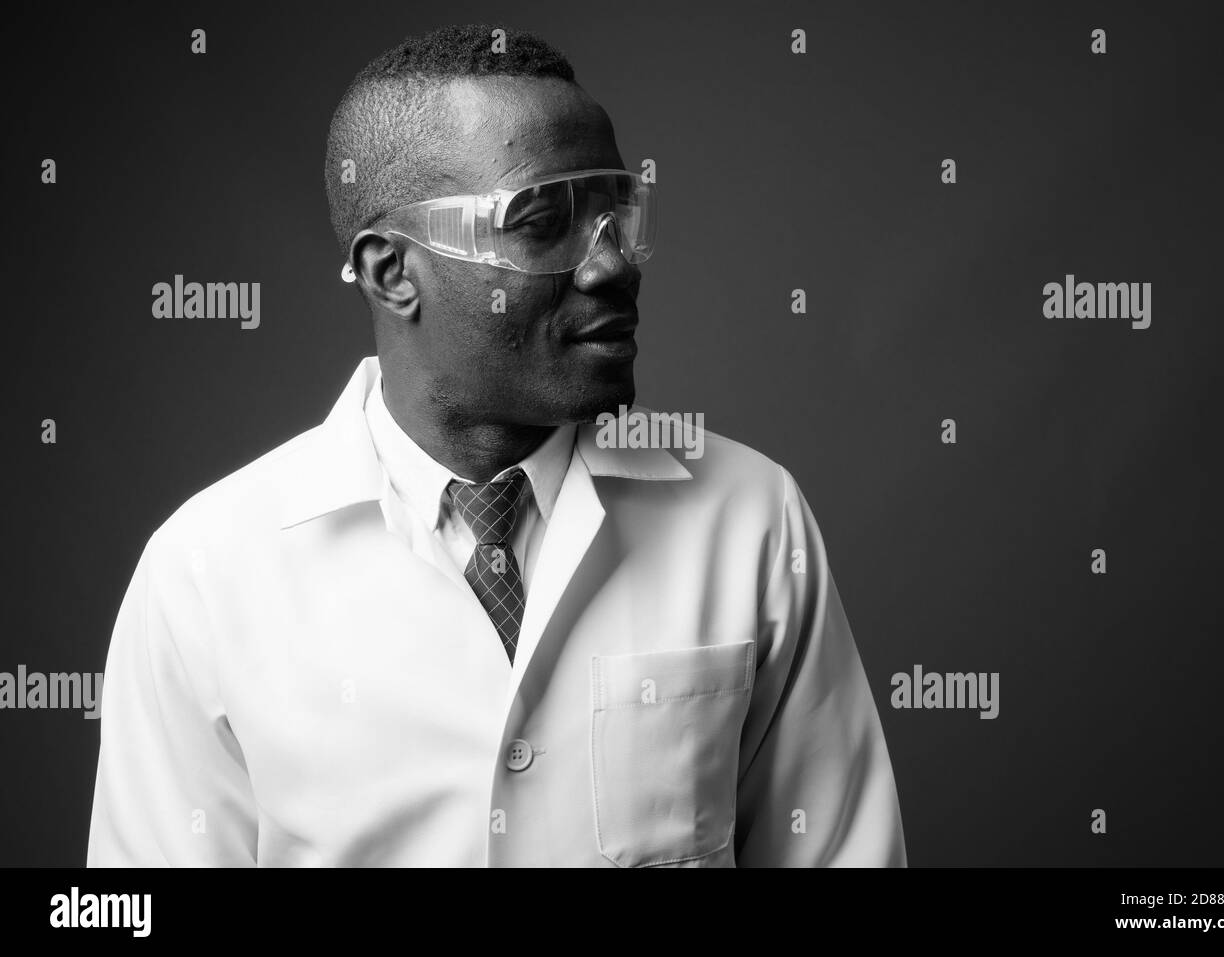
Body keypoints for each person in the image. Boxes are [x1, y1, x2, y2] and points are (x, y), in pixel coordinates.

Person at [86, 24, 906, 867]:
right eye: (543, 220)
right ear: (391, 271)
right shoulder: (205, 574)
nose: (612, 264)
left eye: (617, 217)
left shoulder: (750, 516)